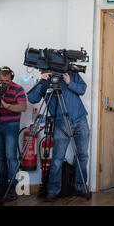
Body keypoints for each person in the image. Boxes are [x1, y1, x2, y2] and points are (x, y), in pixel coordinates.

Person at [27, 71, 89, 203]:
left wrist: (69, 83)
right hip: (61, 122)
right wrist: (40, 81)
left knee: (83, 155)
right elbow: (32, 99)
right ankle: (52, 190)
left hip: (80, 119)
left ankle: (81, 187)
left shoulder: (70, 72)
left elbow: (83, 89)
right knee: (57, 158)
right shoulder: (44, 81)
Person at [0, 66, 27, 201]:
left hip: (11, 125)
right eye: (1, 80)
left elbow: (23, 107)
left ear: (11, 78)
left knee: (11, 157)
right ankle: (2, 183)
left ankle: (12, 186)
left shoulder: (18, 89)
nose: (3, 84)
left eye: (6, 81)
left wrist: (6, 105)